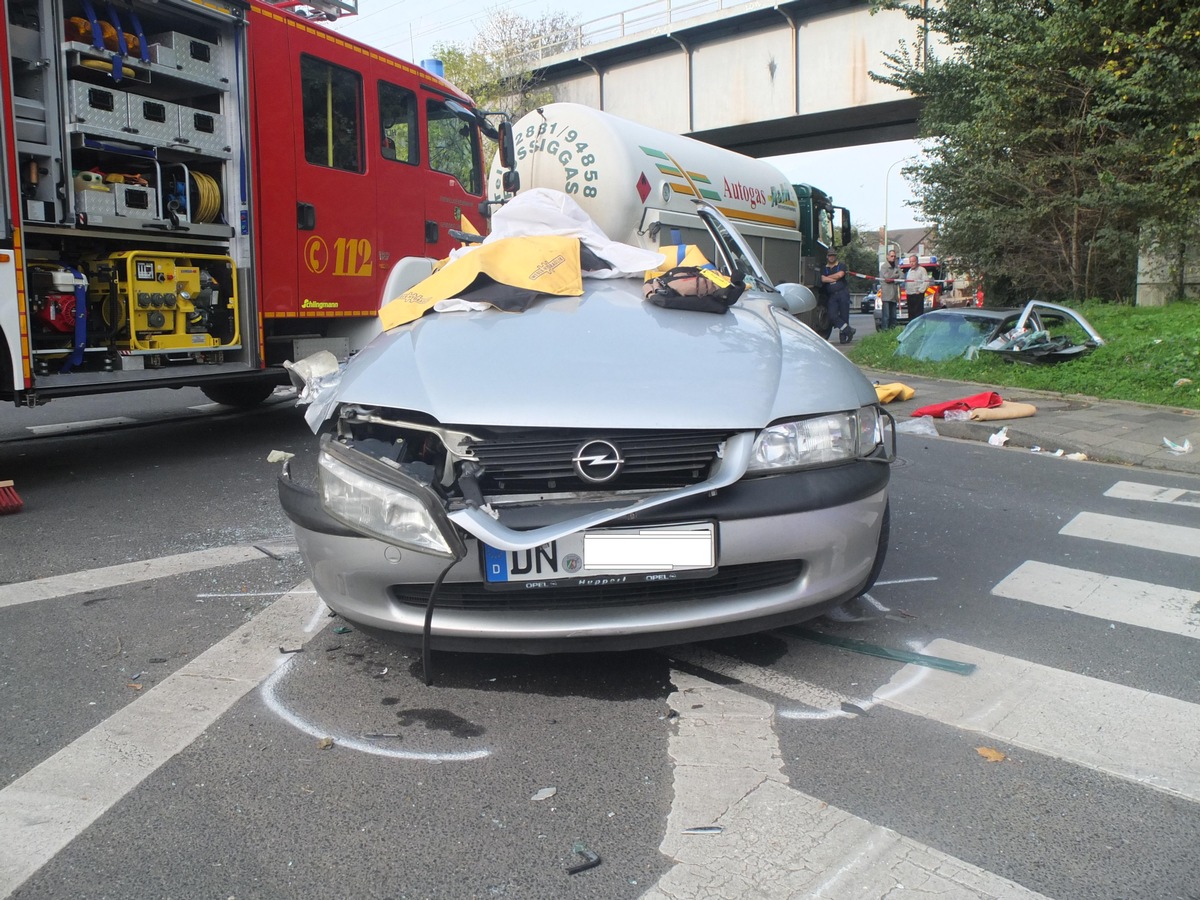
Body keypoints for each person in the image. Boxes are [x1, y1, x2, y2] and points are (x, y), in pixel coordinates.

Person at [821, 249, 854, 343]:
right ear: (827, 257)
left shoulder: (841, 265)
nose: (831, 257)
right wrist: (834, 278)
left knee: (844, 315)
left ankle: (843, 338)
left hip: (842, 293)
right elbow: (823, 279)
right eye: (830, 255)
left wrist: (829, 278)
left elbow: (840, 275)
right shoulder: (824, 267)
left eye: (833, 255)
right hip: (832, 295)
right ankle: (849, 330)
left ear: (836, 256)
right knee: (832, 315)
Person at [878, 248, 902, 329]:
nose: (893, 258)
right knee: (886, 316)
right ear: (887, 257)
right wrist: (896, 276)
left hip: (894, 295)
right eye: (891, 256)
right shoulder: (884, 267)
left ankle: (892, 332)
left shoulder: (896, 267)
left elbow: (902, 277)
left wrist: (895, 280)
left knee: (893, 317)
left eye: (894, 256)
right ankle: (885, 332)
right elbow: (887, 279)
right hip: (886, 295)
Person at [904, 254, 928, 322]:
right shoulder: (909, 271)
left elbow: (926, 281)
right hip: (910, 294)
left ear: (917, 261)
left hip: (917, 295)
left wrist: (920, 290)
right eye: (910, 261)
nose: (912, 263)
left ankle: (918, 327)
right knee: (911, 313)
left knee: (918, 313)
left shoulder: (922, 270)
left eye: (913, 261)